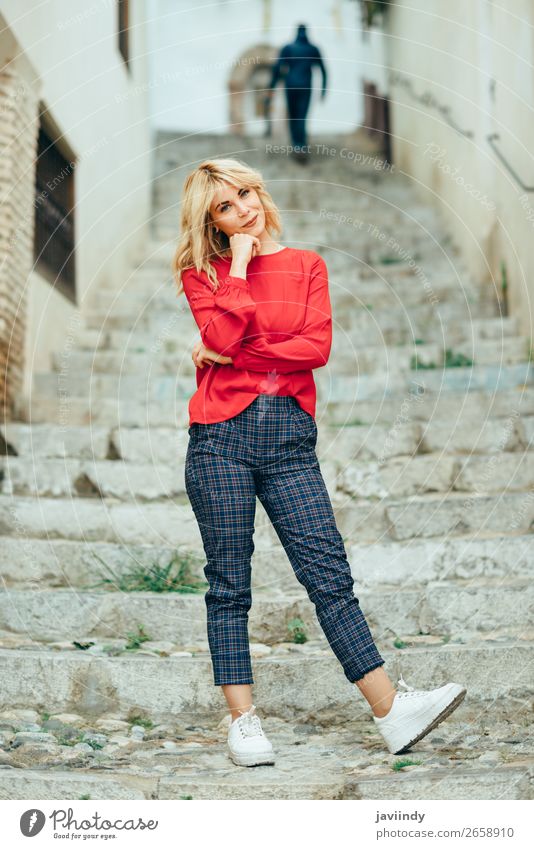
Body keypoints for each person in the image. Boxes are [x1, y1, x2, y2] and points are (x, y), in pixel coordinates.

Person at [172, 157, 467, 768]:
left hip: (289, 444)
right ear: (212, 221)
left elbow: (315, 348)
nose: (244, 208)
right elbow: (225, 338)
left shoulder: (308, 265)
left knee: (329, 575)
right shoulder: (202, 273)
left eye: (246, 192)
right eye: (225, 206)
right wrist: (244, 269)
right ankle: (244, 722)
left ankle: (391, 711)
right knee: (230, 584)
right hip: (219, 440)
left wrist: (231, 351)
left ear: (260, 189)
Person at [266, 23, 327, 163]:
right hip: (305, 87)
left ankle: (297, 145)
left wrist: (272, 87)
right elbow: (323, 71)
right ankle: (300, 146)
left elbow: (277, 69)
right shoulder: (312, 49)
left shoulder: (288, 48)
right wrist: (324, 89)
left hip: (291, 86)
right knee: (301, 117)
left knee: (295, 117)